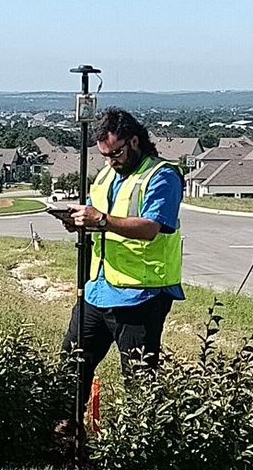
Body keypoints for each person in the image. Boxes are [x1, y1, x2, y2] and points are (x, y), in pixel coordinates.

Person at [62, 107, 185, 416]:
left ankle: (137, 452)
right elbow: (95, 213)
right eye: (104, 154)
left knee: (140, 384)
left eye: (115, 153)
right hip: (98, 291)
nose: (110, 160)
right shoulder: (106, 175)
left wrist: (100, 220)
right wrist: (78, 220)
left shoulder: (162, 176)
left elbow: (150, 228)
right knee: (70, 368)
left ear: (133, 142)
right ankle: (64, 435)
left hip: (141, 296)